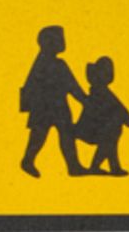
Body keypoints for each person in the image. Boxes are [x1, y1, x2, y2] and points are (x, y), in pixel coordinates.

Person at [19, 26, 88, 177]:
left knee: (65, 136)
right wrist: (84, 100)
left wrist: (84, 100)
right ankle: (28, 160)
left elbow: (72, 85)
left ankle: (73, 165)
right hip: (48, 106)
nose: (63, 42)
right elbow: (72, 86)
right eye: (59, 39)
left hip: (56, 106)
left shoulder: (48, 63)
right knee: (39, 136)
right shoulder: (53, 64)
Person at [76, 56, 129, 175]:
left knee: (112, 135)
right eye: (105, 72)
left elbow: (117, 106)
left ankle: (113, 166)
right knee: (110, 136)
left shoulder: (102, 91)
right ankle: (97, 166)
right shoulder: (99, 92)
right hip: (90, 129)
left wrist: (125, 117)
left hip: (99, 128)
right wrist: (126, 117)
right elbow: (115, 106)